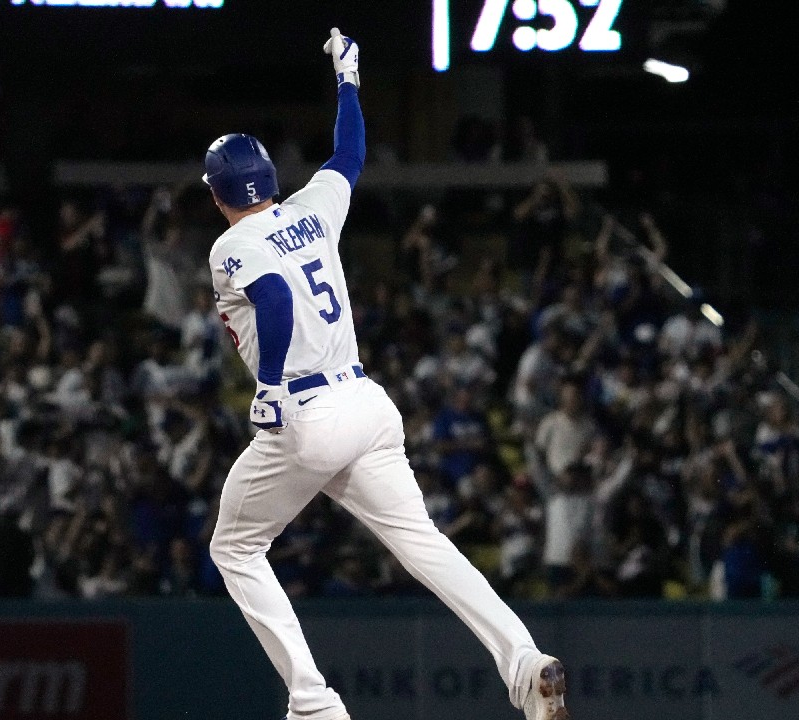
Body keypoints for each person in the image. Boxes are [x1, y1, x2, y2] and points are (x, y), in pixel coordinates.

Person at [203, 28, 568, 720]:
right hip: (365, 403)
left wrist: (272, 384)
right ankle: (524, 663)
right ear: (271, 182)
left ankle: (313, 704)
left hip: (308, 411)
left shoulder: (232, 243)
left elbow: (275, 299)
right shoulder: (311, 209)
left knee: (236, 545)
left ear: (216, 193)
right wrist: (349, 80)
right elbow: (350, 153)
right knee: (422, 542)